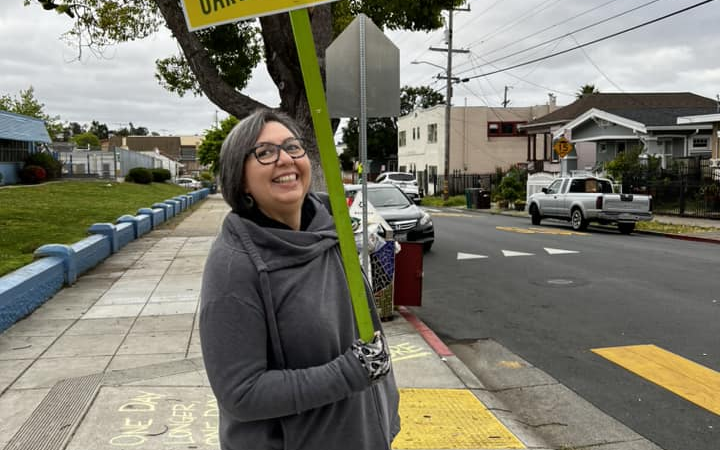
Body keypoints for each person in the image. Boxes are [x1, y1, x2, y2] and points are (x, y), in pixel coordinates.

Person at [200, 108, 401, 450]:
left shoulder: (333, 233)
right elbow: (241, 393)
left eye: (293, 147)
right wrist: (350, 373)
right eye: (265, 152)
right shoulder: (234, 268)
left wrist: (385, 413)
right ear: (240, 178)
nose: (285, 159)